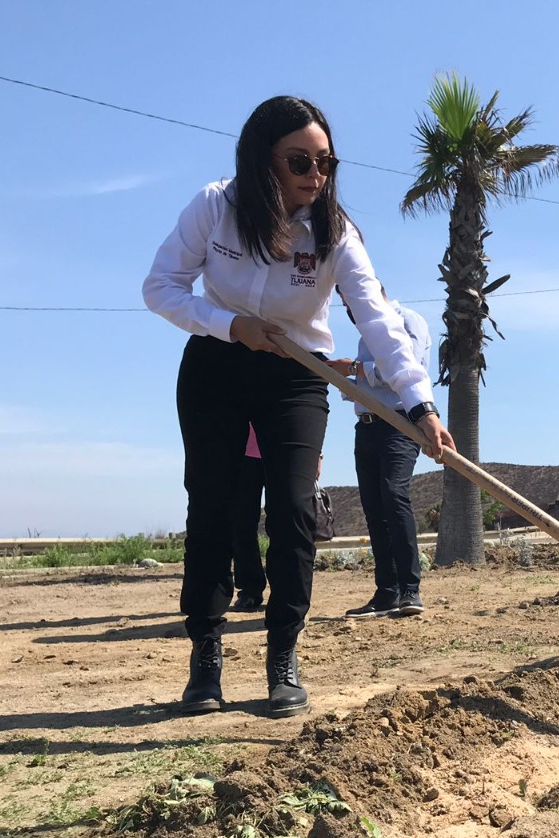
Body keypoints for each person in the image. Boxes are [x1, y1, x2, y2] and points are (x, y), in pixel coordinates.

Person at [143, 96, 455, 717]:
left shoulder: (336, 234)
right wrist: (230, 325)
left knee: (292, 508)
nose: (316, 174)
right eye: (300, 161)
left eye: (326, 162)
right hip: (216, 365)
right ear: (263, 161)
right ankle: (205, 656)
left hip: (297, 375)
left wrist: (421, 405)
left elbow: (380, 321)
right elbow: (161, 288)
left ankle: (282, 654)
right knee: (213, 504)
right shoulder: (215, 207)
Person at [327, 299, 430, 619]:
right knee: (374, 508)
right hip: (367, 428)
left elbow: (406, 367)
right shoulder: (366, 335)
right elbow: (365, 384)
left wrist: (354, 369)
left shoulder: (409, 320)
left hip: (401, 425)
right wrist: (343, 376)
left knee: (393, 495)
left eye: (352, 304)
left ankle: (410, 589)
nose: (350, 313)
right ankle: (387, 591)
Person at [229, 423, 266, 612]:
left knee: (285, 521)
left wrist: (318, 454)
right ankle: (250, 589)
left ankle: (286, 589)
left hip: (283, 445)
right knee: (241, 523)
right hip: (241, 451)